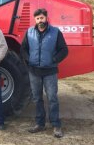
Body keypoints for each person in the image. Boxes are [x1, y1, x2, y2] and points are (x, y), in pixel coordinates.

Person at [21, 8, 68, 138]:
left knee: (52, 98)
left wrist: (54, 60)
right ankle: (39, 124)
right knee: (37, 98)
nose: (40, 20)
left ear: (46, 18)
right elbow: (23, 48)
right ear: (34, 20)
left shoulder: (55, 32)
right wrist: (28, 60)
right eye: (37, 18)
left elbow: (64, 50)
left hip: (50, 72)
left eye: (42, 18)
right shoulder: (29, 32)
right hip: (34, 71)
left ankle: (56, 125)